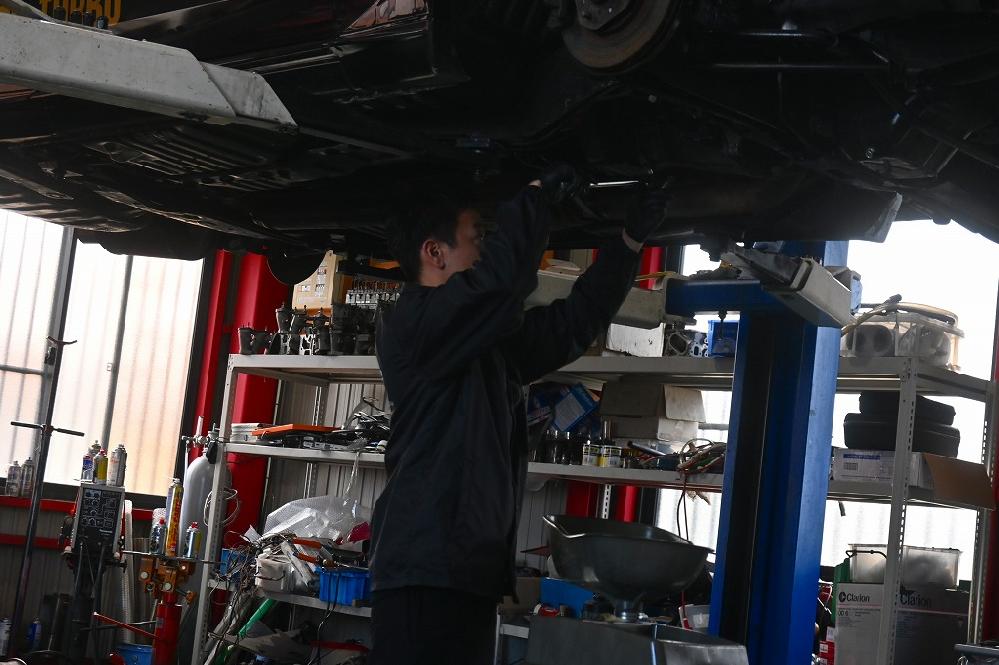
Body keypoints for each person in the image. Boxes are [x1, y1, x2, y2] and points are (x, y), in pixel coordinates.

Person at [370, 168, 669, 664]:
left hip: (464, 574)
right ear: (435, 252)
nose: (485, 249)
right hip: (423, 574)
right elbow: (502, 283)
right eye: (476, 238)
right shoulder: (414, 325)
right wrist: (532, 198)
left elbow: (573, 322)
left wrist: (628, 242)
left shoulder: (483, 346)